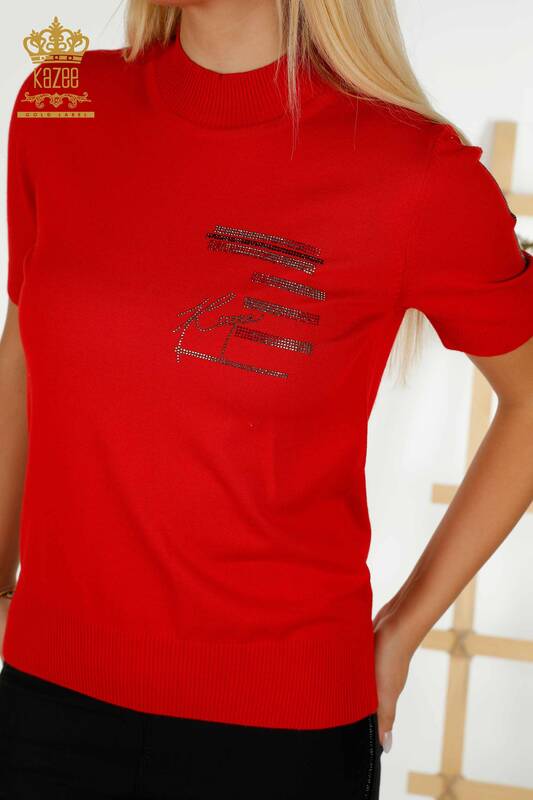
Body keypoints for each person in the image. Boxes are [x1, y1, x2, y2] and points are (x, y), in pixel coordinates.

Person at [1, 1, 532, 798]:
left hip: (279, 739)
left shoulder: (413, 170)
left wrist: (401, 628)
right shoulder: (62, 102)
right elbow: (25, 349)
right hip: (44, 707)